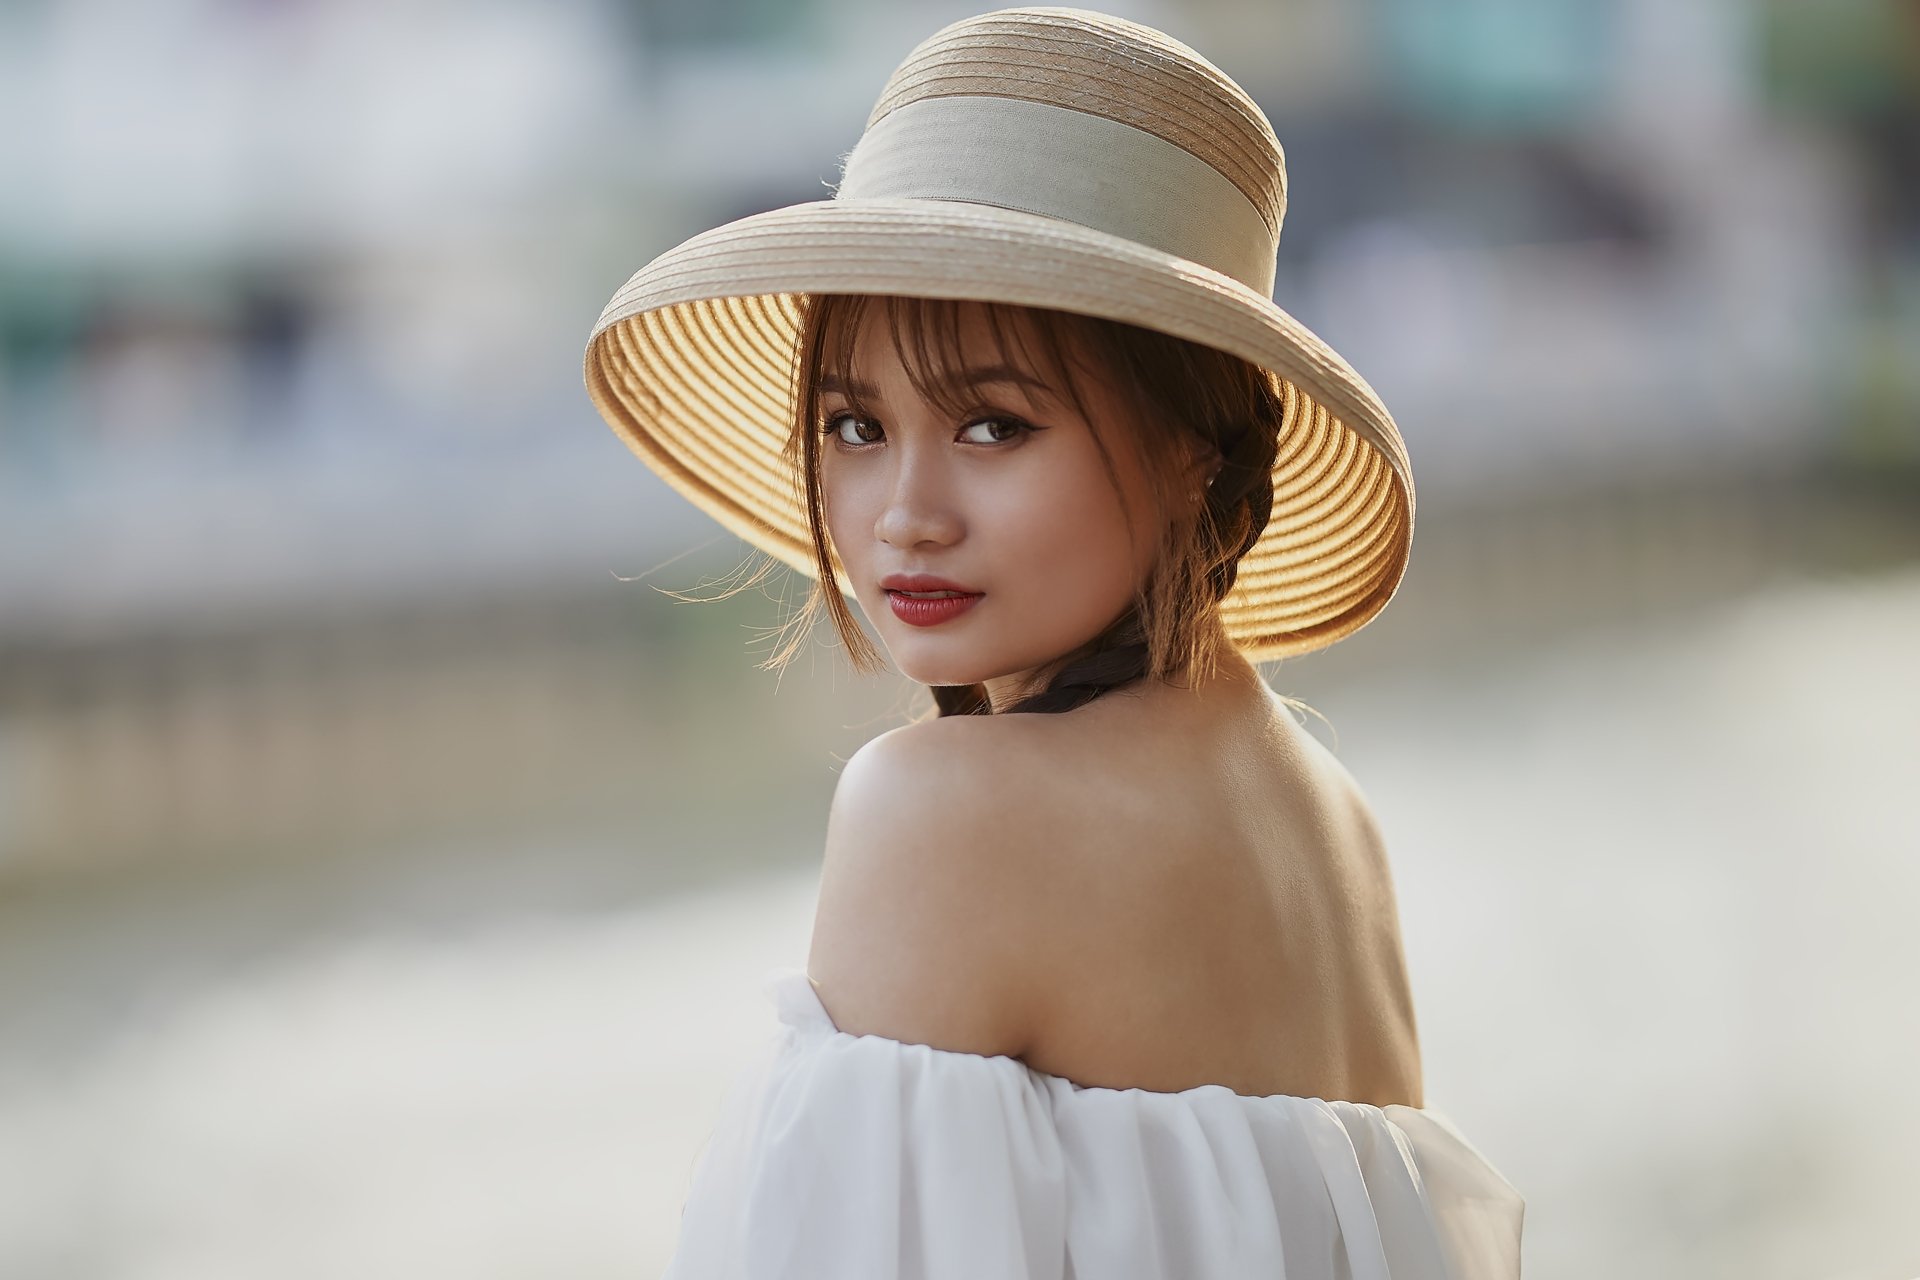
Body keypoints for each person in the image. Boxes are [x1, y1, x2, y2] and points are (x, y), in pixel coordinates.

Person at [583, 7, 1525, 1277]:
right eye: (856, 426)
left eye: (992, 427)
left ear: (1195, 448)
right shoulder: (1330, 824)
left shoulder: (946, 808)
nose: (904, 513)